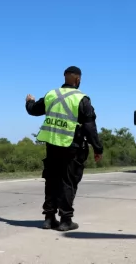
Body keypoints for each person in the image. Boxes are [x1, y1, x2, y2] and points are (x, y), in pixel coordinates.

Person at [25, 66, 104, 231]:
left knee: (52, 180)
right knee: (68, 181)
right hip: (72, 147)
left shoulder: (51, 95)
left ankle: (48, 218)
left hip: (52, 145)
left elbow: (33, 110)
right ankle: (66, 220)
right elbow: (90, 127)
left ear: (64, 77)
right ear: (78, 79)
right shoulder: (82, 99)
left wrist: (29, 101)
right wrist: (98, 148)